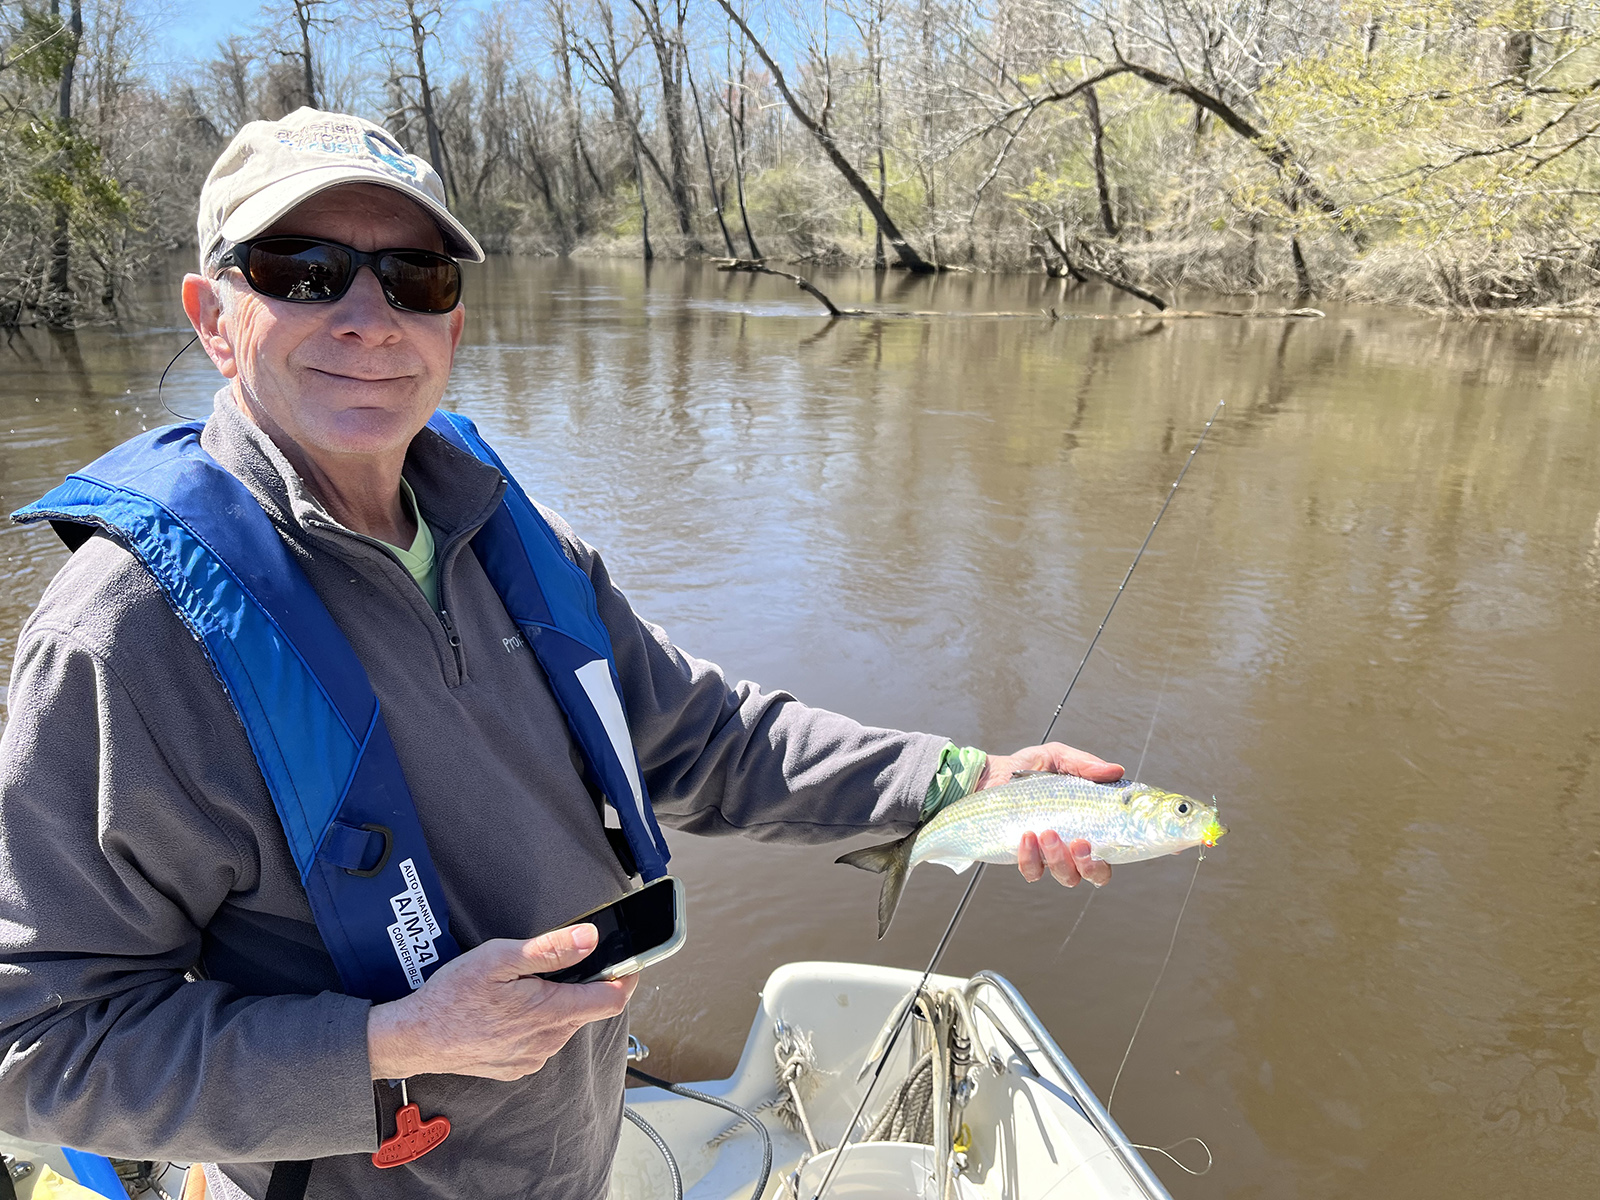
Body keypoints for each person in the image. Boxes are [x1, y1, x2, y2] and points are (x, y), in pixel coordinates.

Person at [0, 108, 1121, 1200]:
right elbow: (35, 1051)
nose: (367, 316)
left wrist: (963, 785)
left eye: (416, 277)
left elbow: (711, 740)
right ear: (212, 315)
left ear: (456, 323)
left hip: (567, 1152)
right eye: (302, 270)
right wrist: (387, 1042)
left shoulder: (511, 537)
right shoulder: (125, 636)